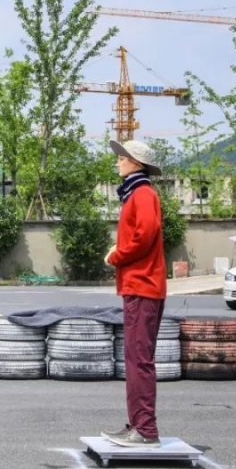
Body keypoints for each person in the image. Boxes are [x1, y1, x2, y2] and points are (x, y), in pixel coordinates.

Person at [102, 139, 167, 448]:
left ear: (134, 163)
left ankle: (145, 429)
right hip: (138, 285)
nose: (118, 162)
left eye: (122, 157)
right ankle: (138, 425)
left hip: (143, 285)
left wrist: (117, 255)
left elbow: (144, 235)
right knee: (135, 358)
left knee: (138, 360)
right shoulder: (137, 193)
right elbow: (141, 235)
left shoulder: (142, 194)